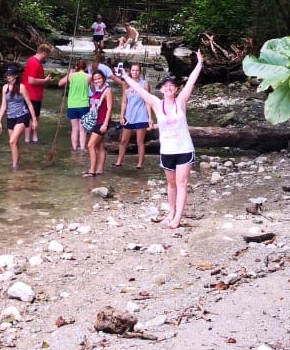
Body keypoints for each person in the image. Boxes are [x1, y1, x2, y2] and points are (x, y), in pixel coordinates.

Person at [121, 53, 204, 229]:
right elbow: (141, 90)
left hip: (184, 149)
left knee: (182, 183)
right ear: (161, 89)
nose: (168, 88)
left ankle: (177, 218)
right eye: (165, 86)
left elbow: (191, 82)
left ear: (175, 89)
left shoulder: (181, 101)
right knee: (171, 183)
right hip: (167, 151)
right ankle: (171, 212)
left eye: (171, 86)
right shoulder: (157, 104)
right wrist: (126, 76)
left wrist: (199, 64)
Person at [0, 65, 37, 170]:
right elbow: (3, 105)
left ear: (16, 76)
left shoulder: (21, 87)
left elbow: (29, 103)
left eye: (10, 75)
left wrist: (34, 120)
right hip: (10, 117)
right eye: (7, 75)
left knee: (12, 141)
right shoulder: (5, 88)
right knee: (15, 144)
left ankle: (14, 167)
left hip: (22, 116)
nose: (8, 76)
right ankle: (18, 163)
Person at [113, 62, 153, 169]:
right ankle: (119, 162)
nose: (135, 72)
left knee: (140, 141)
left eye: (137, 70)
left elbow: (147, 101)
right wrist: (122, 116)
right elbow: (124, 102)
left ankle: (140, 164)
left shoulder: (144, 84)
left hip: (141, 115)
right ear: (130, 71)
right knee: (123, 141)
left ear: (140, 72)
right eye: (133, 70)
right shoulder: (126, 84)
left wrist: (150, 118)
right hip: (129, 117)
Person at [82, 68, 114, 177]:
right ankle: (99, 170)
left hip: (102, 122)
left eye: (99, 78)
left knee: (90, 145)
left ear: (104, 78)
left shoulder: (107, 90)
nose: (97, 80)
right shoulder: (97, 90)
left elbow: (109, 108)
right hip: (96, 121)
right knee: (100, 146)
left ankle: (92, 171)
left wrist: (105, 123)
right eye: (95, 79)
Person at [56, 59, 90, 152]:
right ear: (86, 67)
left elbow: (60, 83)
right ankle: (82, 149)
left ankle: (74, 149)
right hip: (84, 104)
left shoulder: (71, 76)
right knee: (83, 130)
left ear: (77, 67)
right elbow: (94, 90)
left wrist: (69, 73)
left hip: (72, 105)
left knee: (74, 129)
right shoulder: (88, 76)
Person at [22, 43, 52, 144]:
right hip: (31, 95)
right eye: (47, 56)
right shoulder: (34, 63)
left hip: (35, 95)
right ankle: (28, 140)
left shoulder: (33, 61)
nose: (47, 58)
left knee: (35, 117)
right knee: (30, 118)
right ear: (44, 53)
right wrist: (45, 81)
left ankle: (34, 138)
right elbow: (31, 80)